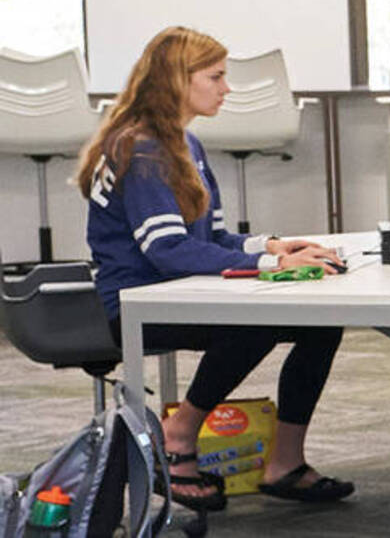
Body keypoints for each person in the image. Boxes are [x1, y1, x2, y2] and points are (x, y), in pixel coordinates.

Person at [78, 26, 353, 511]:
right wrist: (271, 265)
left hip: (176, 289)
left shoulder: (181, 143)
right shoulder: (143, 150)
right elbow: (167, 250)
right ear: (178, 80)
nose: (227, 88)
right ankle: (180, 432)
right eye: (216, 77)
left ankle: (284, 463)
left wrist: (271, 245)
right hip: (139, 303)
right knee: (261, 318)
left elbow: (211, 241)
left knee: (320, 319)